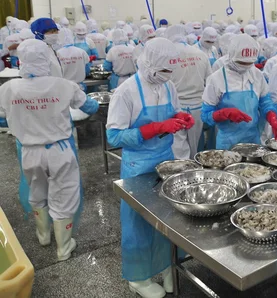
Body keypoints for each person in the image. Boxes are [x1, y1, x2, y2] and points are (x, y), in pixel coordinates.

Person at [107, 38, 194, 298]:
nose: (168, 76)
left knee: (168, 218)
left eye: (171, 71)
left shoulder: (167, 85)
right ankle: (139, 276)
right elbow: (114, 136)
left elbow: (175, 110)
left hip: (165, 161)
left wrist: (180, 118)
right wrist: (154, 128)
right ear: (149, 64)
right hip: (138, 165)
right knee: (138, 222)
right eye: (164, 71)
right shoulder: (126, 92)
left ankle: (167, 264)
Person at [0, 39, 99, 261]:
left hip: (29, 151)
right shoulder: (63, 85)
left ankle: (43, 235)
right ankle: (63, 248)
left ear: (20, 61)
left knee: (37, 190)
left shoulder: (8, 88)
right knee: (64, 193)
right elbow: (90, 107)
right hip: (59, 150)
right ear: (47, 59)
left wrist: (21, 117)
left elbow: (1, 118)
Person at [201, 34, 277, 149]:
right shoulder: (216, 79)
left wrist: (273, 120)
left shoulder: (257, 75)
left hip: (253, 139)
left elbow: (266, 102)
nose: (245, 67)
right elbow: (205, 115)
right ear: (231, 56)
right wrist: (224, 113)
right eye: (241, 63)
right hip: (228, 142)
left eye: (249, 63)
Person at [164, 25, 212, 158]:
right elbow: (209, 81)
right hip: (198, 106)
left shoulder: (167, 56)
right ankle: (195, 172)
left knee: (177, 148)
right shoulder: (200, 54)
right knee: (195, 145)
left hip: (176, 108)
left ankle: (182, 174)